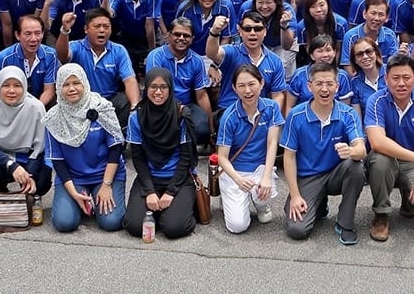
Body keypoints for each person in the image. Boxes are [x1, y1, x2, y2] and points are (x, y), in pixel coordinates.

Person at [281, 62, 368, 244]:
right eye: (319, 83)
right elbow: (288, 157)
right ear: (309, 86)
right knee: (297, 230)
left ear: (337, 86)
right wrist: (295, 195)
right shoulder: (296, 115)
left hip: (336, 172)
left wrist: (352, 151)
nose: (324, 89)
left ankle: (345, 222)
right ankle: (318, 204)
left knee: (356, 167)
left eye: (329, 84)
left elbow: (361, 149)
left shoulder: (348, 113)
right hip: (308, 176)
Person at [363, 53, 414, 242]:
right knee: (380, 159)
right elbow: (377, 142)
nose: (401, 83)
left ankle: (409, 202)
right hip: (386, 159)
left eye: (406, 77)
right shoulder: (376, 100)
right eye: (395, 78)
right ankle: (381, 214)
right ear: (386, 79)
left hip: (411, 165)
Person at [44, 64, 126, 233]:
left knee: (111, 222)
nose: (72, 88)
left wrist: (106, 185)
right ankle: (79, 201)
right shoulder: (53, 118)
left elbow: (116, 148)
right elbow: (57, 161)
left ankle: (95, 197)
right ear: (59, 87)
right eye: (65, 85)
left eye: (76, 83)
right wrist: (74, 193)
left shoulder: (102, 107)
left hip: (105, 175)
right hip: (73, 178)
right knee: (64, 223)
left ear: (85, 84)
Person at [124, 68, 199, 239]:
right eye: (153, 87)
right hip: (150, 178)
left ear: (171, 89)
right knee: (135, 227)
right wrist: (150, 191)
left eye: (163, 87)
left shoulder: (181, 114)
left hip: (178, 180)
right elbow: (138, 157)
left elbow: (186, 158)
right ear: (146, 88)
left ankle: (180, 208)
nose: (158, 92)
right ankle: (160, 208)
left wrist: (171, 192)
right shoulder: (136, 117)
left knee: (174, 229)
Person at [216, 63, 286, 234]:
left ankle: (260, 205)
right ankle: (231, 198)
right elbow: (222, 158)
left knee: (264, 194)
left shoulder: (271, 107)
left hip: (259, 169)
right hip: (235, 172)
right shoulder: (229, 116)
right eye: (241, 86)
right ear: (234, 88)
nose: (247, 91)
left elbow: (272, 144)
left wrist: (267, 176)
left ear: (261, 83)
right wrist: (239, 180)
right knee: (237, 227)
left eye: (252, 84)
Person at [0, 66, 49, 217]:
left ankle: (28, 196)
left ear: (24, 86)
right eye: (6, 85)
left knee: (42, 180)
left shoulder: (36, 107)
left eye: (17, 85)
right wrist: (12, 166)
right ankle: (2, 194)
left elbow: (40, 147)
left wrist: (30, 176)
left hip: (27, 156)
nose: (11, 91)